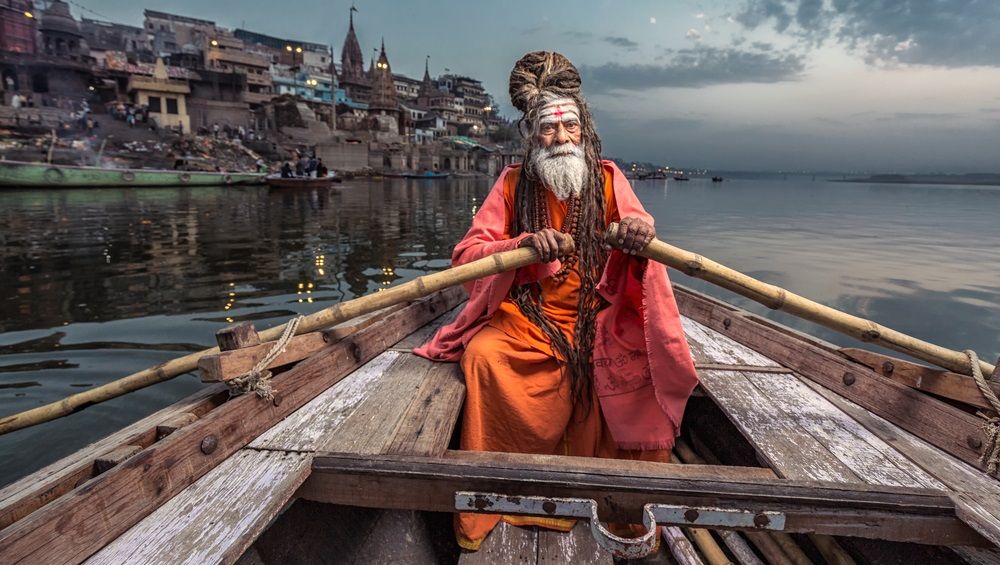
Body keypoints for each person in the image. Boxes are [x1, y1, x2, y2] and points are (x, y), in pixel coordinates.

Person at [415, 51, 699, 551]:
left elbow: (641, 224)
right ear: (531, 134)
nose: (561, 138)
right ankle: (504, 496)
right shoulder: (511, 183)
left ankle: (619, 505)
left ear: (584, 130)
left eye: (570, 127)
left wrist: (638, 230)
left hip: (599, 316)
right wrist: (521, 246)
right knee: (483, 357)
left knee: (640, 362)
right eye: (548, 128)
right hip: (529, 318)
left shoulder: (608, 178)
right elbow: (467, 258)